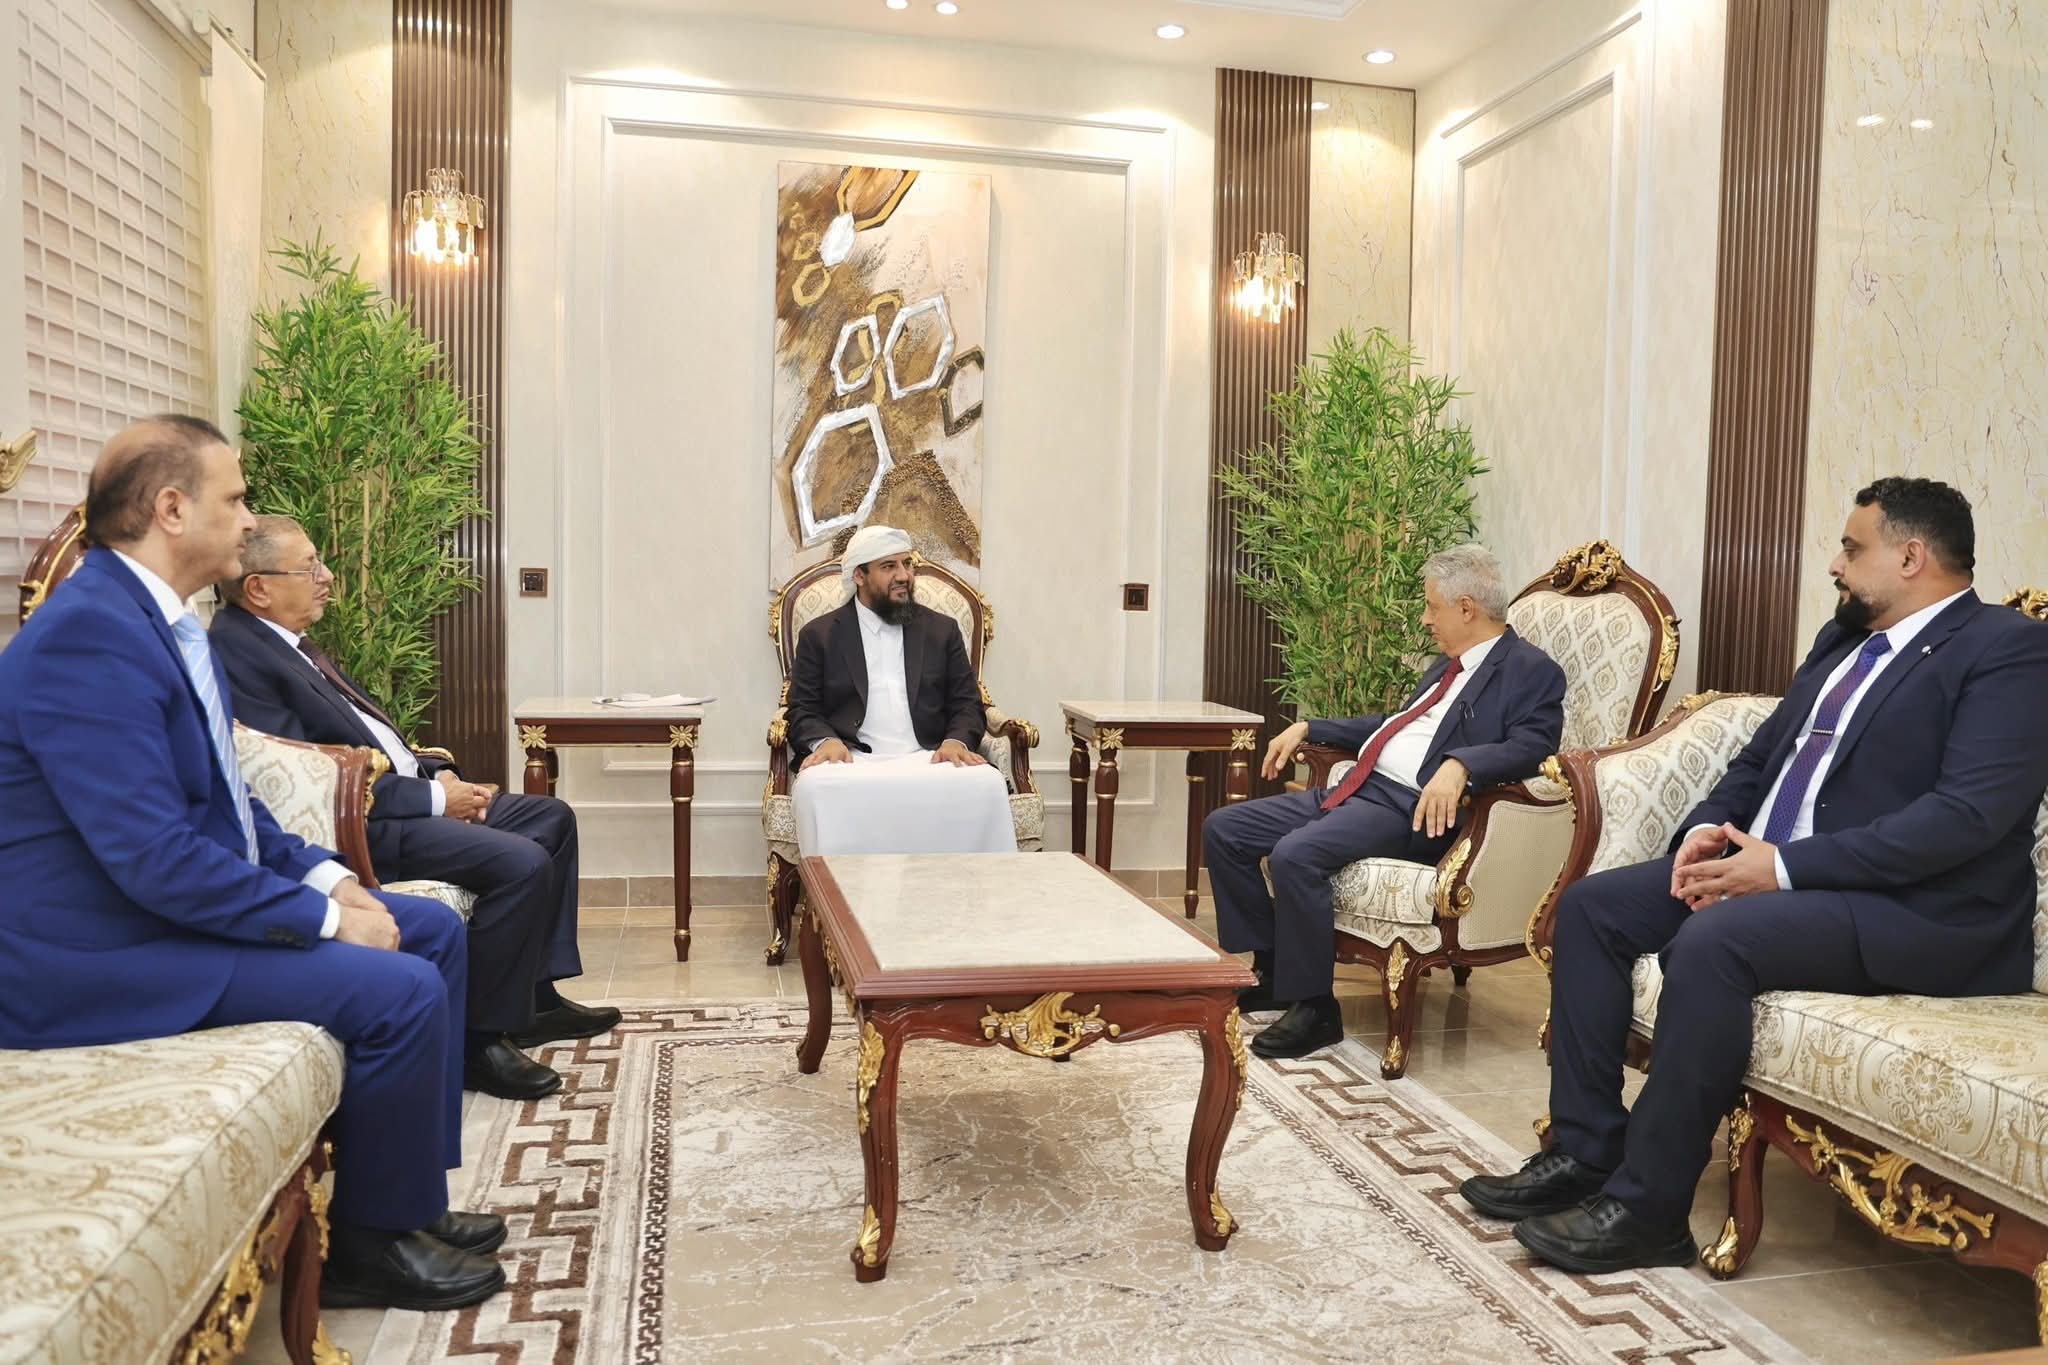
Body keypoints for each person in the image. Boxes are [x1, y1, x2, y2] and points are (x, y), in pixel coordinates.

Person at [1461, 478, 2048, 1274]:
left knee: (1716, 942)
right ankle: (1585, 1150)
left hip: (1917, 909)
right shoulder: (1842, 640)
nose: (1836, 565)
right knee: (1594, 909)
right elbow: (1761, 757)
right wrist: (1705, 832)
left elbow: (1964, 818)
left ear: (1911, 556)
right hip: (1776, 869)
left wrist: (1782, 865)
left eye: (1852, 549)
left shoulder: (2008, 650)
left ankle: (1649, 1211)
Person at [0, 415, 506, 1310]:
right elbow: (155, 858)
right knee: (400, 989)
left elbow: (227, 807)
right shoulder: (89, 638)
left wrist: (329, 877)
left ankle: (405, 1200)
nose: (247, 519)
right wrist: (327, 920)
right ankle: (368, 1251)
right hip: (98, 952)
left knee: (429, 928)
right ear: (170, 509)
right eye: (234, 499)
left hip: (153, 912)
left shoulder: (156, 620)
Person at [210, 515, 618, 1102]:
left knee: (551, 818)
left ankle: (534, 1000)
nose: (327, 577)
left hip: (406, 795)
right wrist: (437, 800)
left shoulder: (288, 643)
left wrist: (434, 774)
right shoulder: (239, 654)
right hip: (366, 824)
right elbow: (309, 777)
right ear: (259, 588)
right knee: (522, 863)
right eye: (310, 567)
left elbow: (365, 741)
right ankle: (479, 1040)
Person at [1203, 544, 1567, 1060]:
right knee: (1225, 830)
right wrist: (1311, 727)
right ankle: (1277, 974)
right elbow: (1394, 727)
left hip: (1410, 809)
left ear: (1466, 608)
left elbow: (1535, 746)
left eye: (1432, 607)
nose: (1425, 619)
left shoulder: (1530, 670)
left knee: (1296, 855)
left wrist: (1463, 764)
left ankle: (1316, 1010)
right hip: (1360, 787)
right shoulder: (1446, 667)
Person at [784, 524, 1015, 854]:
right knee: (814, 788)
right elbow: (802, 709)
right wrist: (827, 741)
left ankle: (969, 885)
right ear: (859, 576)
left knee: (988, 784)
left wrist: (956, 741)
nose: (904, 575)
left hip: (929, 756)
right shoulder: (819, 635)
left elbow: (967, 702)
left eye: (907, 564)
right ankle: (836, 887)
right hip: (853, 760)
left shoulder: (942, 630)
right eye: (889, 566)